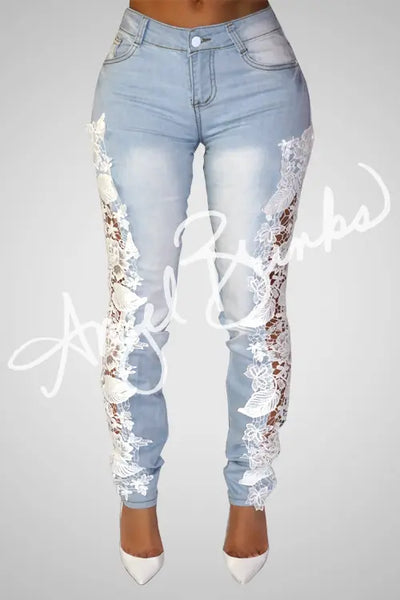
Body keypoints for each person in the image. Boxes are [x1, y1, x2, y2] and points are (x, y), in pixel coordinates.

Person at [87, 0, 314, 585]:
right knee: (136, 306)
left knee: (254, 307)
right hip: (140, 69)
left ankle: (250, 493)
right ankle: (135, 493)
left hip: (257, 70)